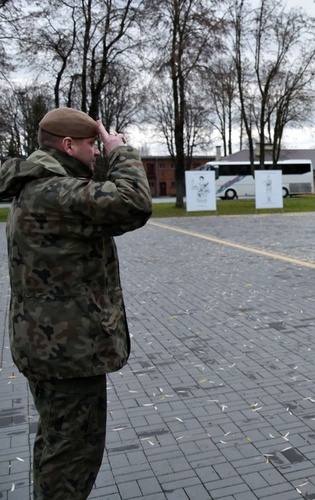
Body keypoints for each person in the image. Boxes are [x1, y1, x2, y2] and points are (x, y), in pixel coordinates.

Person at [0, 107, 152, 499]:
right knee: (72, 457)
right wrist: (122, 152)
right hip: (67, 352)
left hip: (51, 347)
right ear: (68, 145)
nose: (98, 151)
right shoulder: (54, 192)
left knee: (57, 447)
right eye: (91, 144)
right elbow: (134, 202)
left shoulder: (33, 186)